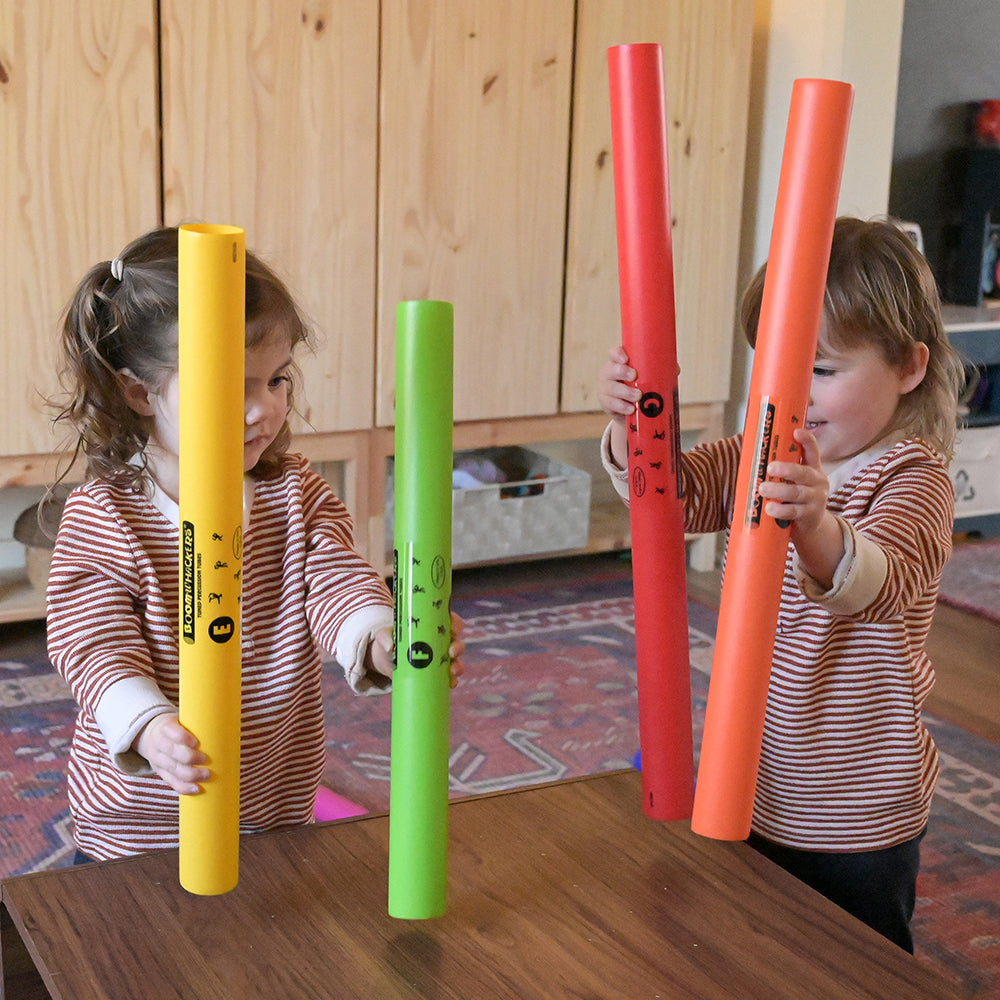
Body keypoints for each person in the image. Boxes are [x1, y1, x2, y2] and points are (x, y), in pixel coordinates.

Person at [597, 216, 964, 952]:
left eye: (822, 370)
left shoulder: (912, 479)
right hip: (759, 776)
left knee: (858, 960)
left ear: (909, 367)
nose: (795, 392)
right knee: (759, 943)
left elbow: (880, 582)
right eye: (778, 364)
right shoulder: (764, 443)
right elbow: (671, 498)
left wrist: (816, 526)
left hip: (856, 805)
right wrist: (632, 423)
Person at [46, 227, 464, 863]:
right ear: (140, 392)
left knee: (266, 946)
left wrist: (381, 634)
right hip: (144, 824)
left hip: (274, 802)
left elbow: (336, 578)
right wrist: (149, 724)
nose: (262, 410)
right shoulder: (108, 514)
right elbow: (89, 639)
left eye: (276, 380)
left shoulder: (292, 493)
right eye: (233, 384)